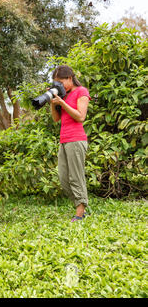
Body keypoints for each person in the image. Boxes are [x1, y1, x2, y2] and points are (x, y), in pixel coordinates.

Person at [50, 65, 91, 222]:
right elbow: (56, 119)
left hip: (76, 139)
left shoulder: (81, 92)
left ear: (69, 78)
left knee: (76, 177)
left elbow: (80, 116)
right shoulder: (63, 95)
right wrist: (54, 103)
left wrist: (63, 103)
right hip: (64, 140)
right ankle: (81, 205)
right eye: (56, 83)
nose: (58, 85)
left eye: (60, 82)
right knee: (64, 178)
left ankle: (80, 213)